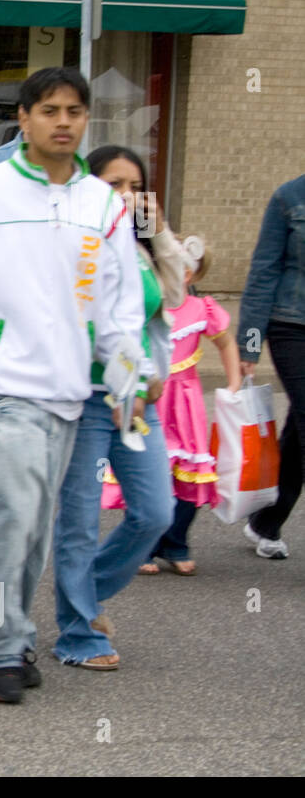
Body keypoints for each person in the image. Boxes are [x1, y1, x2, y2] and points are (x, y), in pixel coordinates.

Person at [0, 67, 145, 704]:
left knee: (36, 525)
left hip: (69, 390)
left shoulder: (101, 205)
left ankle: (12, 635)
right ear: (23, 118)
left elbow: (119, 306)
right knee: (10, 516)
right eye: (49, 110)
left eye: (74, 111)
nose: (63, 121)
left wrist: (131, 376)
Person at [49, 144, 187, 670]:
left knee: (155, 513)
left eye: (135, 186)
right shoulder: (78, 244)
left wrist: (158, 231)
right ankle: (79, 632)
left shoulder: (142, 247)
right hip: (85, 397)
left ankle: (82, 595)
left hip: (137, 402)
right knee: (79, 520)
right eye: (113, 185)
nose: (125, 196)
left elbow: (173, 298)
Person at [132, 236, 241, 574]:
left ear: (189, 276)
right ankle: (145, 547)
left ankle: (176, 542)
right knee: (152, 475)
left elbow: (225, 343)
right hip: (153, 401)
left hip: (186, 403)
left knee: (189, 476)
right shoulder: (147, 306)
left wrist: (234, 382)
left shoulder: (200, 308)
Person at [238, 172, 305, 560]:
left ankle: (267, 520)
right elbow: (264, 271)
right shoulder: (289, 198)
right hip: (292, 326)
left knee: (300, 430)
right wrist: (249, 343)